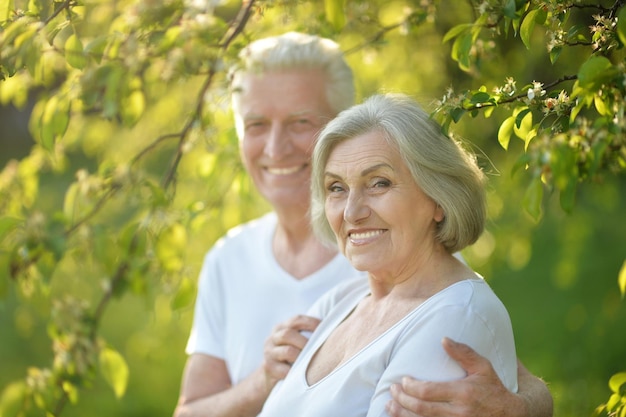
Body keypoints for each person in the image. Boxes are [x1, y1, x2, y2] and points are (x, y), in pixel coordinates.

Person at [173, 32, 553, 417]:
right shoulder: (234, 260)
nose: (275, 147)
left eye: (300, 121)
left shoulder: (408, 255)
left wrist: (522, 409)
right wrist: (262, 381)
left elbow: (488, 348)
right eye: (256, 124)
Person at [256, 93, 517, 416]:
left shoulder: (456, 316)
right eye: (336, 188)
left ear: (438, 197)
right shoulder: (341, 303)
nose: (352, 212)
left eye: (379, 183)